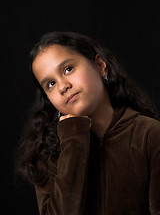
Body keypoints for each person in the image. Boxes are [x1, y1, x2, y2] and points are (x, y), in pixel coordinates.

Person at [15, 31, 160, 215]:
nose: (62, 86)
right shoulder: (47, 154)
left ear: (100, 66)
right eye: (50, 84)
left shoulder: (150, 135)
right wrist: (74, 141)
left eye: (68, 69)